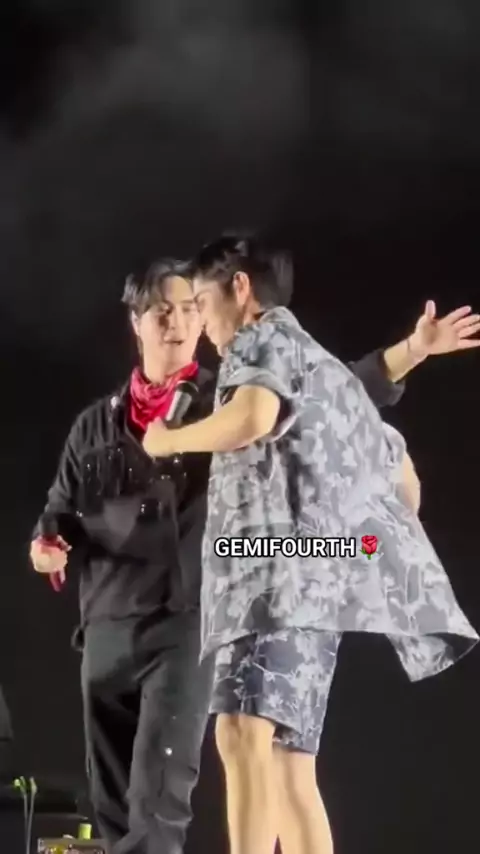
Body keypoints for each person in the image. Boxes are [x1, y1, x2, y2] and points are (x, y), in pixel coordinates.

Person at [30, 252, 478, 854]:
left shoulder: (234, 388)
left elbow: (322, 392)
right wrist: (49, 541)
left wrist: (410, 353)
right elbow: (61, 509)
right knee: (257, 773)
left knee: (201, 770)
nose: (181, 322)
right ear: (136, 322)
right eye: (163, 311)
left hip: (201, 615)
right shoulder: (95, 426)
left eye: (192, 308)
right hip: (113, 623)